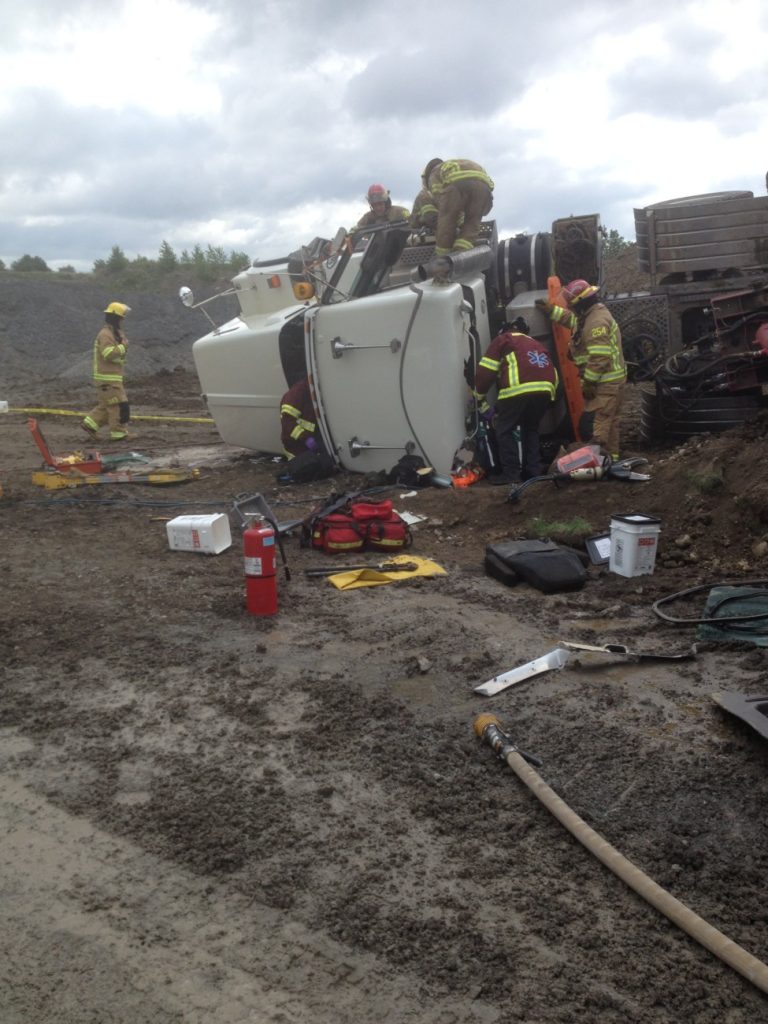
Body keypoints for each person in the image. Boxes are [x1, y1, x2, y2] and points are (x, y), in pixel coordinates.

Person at [536, 280, 627, 459]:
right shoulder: (590, 316)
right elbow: (572, 321)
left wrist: (590, 382)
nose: (571, 309)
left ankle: (598, 461)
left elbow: (600, 356)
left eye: (572, 306)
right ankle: (611, 460)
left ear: (581, 304)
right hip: (610, 382)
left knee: (597, 425)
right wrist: (552, 311)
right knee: (610, 422)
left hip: (605, 383)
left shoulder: (596, 323)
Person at [473, 316, 559, 485]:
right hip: (546, 390)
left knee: (505, 430)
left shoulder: (503, 340)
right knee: (531, 429)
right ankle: (533, 471)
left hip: (518, 390)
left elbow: (486, 371)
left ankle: (511, 474)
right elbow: (551, 369)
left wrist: (479, 396)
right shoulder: (536, 344)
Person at [81, 301, 134, 441]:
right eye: (122, 318)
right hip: (107, 379)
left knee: (108, 404)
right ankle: (119, 434)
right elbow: (108, 354)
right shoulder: (105, 334)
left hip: (111, 378)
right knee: (118, 405)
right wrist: (123, 347)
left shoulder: (113, 333)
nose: (123, 321)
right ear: (116, 319)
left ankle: (90, 424)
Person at [422, 158, 494, 256]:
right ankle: (461, 253)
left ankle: (442, 259)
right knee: (472, 224)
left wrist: (454, 220)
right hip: (484, 188)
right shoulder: (454, 165)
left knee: (447, 220)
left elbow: (442, 202)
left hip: (457, 185)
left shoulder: (434, 173)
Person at [280, 376, 324, 460]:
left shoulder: (313, 390)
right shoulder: (296, 394)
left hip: (311, 443)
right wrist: (306, 438)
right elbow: (287, 422)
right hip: (295, 448)